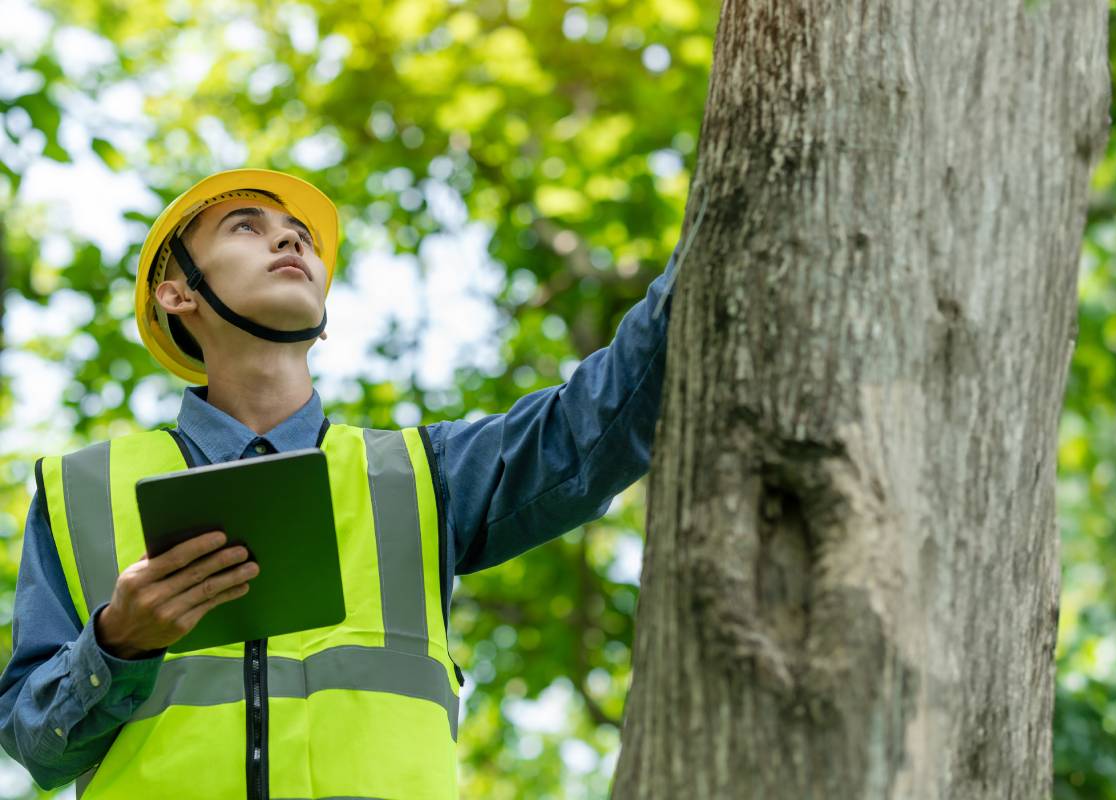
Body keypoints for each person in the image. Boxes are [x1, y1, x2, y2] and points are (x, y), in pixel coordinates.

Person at [0, 168, 679, 798]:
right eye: (246, 226)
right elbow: (33, 745)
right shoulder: (78, 491)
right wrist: (117, 643)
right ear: (177, 293)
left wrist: (702, 242)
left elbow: (600, 421)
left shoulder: (423, 475)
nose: (290, 236)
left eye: (299, 236)